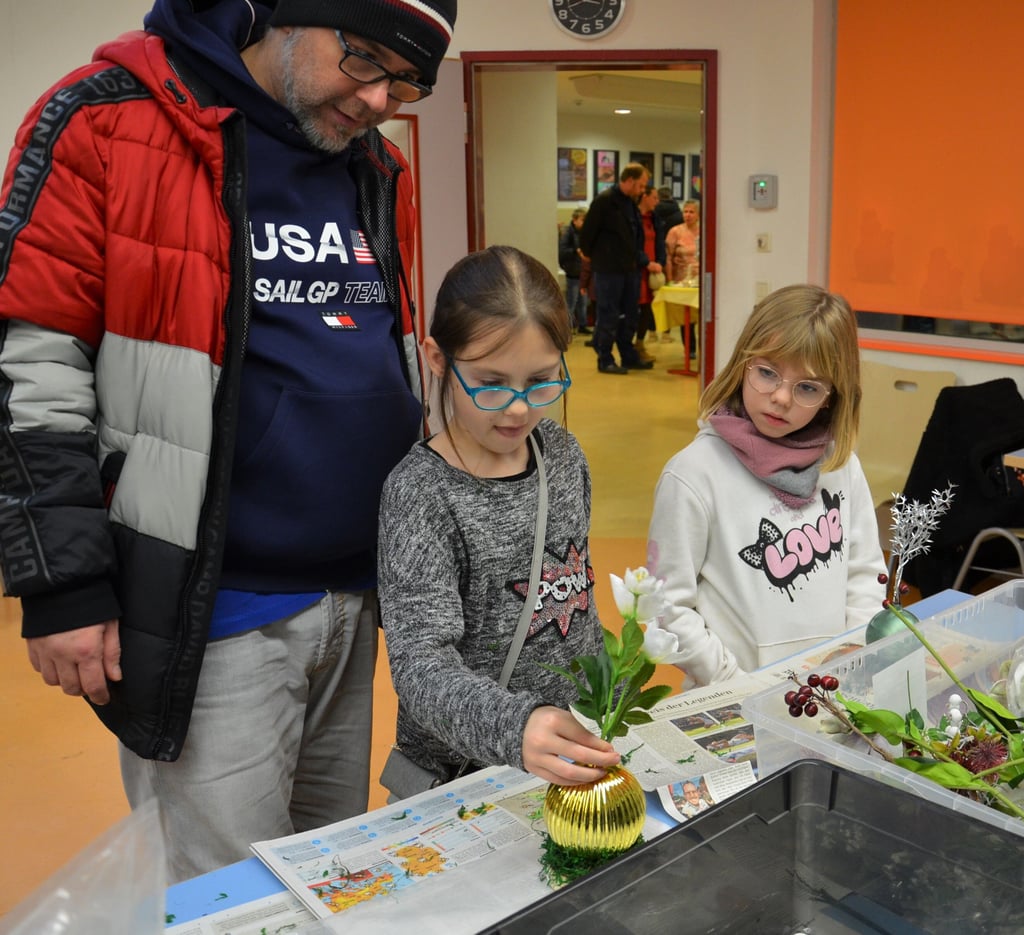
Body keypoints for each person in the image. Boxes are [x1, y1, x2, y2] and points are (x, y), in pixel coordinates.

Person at [0, 0, 458, 882]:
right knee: (230, 895)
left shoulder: (372, 166)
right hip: (214, 611)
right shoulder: (107, 122)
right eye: (361, 60)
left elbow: (381, 350)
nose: (376, 99)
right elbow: (29, 361)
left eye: (408, 83)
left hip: (353, 600)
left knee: (330, 877)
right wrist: (61, 582)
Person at [377, 245, 620, 789]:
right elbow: (420, 665)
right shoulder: (421, 492)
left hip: (567, 755)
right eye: (490, 383)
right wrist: (517, 727)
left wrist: (611, 696)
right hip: (461, 775)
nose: (517, 408)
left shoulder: (560, 454)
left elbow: (575, 596)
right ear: (437, 359)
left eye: (540, 381)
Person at [645, 285, 884, 687]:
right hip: (732, 703)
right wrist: (736, 686)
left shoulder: (840, 466)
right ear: (743, 364)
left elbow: (865, 576)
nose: (780, 397)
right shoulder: (692, 474)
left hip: (830, 694)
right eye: (767, 373)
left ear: (832, 397)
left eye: (808, 387)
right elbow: (666, 606)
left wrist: (850, 661)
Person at [579, 162, 655, 374]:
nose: (642, 190)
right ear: (629, 181)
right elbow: (587, 236)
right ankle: (605, 359)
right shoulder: (604, 202)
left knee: (631, 314)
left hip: (629, 269)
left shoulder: (631, 203)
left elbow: (634, 237)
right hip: (608, 270)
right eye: (640, 185)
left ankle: (628, 355)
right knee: (608, 315)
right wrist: (599, 259)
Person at [663, 198, 701, 348]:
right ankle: (689, 348)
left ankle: (702, 349)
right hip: (681, 279)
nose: (688, 215)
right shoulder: (675, 231)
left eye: (691, 212)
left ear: (698, 214)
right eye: (685, 211)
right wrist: (670, 279)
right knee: (686, 317)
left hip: (699, 280)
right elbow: (668, 257)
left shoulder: (703, 230)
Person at [635, 184, 667, 360]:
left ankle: (640, 343)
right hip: (637, 271)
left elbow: (660, 243)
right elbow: (631, 246)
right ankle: (629, 347)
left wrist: (660, 262)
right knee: (634, 309)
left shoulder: (654, 218)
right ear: (645, 196)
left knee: (647, 308)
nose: (657, 201)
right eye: (654, 197)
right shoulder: (634, 217)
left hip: (653, 273)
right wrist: (646, 262)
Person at [558, 208, 591, 335]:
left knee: (583, 302)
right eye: (583, 220)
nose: (585, 222)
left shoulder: (584, 232)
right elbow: (562, 250)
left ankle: (582, 325)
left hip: (583, 272)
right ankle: (567, 327)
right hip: (573, 272)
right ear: (574, 220)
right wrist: (575, 251)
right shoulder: (568, 234)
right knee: (572, 301)